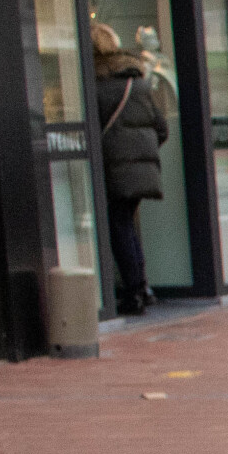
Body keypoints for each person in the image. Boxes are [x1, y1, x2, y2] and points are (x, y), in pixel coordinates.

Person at [93, 23, 168, 316]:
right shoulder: (138, 82)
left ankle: (134, 291)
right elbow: (162, 128)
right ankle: (142, 287)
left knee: (119, 226)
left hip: (114, 168)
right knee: (127, 224)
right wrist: (141, 154)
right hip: (140, 169)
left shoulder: (96, 84)